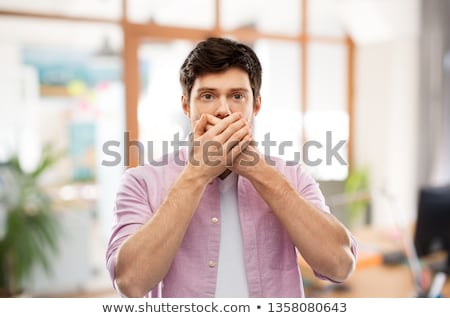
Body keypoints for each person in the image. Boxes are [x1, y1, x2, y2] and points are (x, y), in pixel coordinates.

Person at [106, 37, 357, 298]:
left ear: (256, 105)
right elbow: (129, 282)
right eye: (207, 96)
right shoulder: (141, 182)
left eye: (237, 96)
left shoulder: (291, 174)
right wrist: (197, 173)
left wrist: (259, 171)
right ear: (186, 106)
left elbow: (340, 265)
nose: (224, 110)